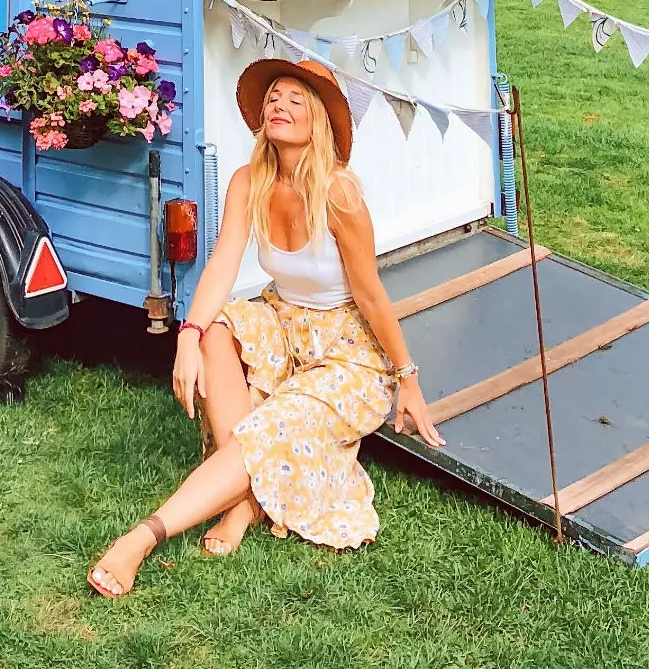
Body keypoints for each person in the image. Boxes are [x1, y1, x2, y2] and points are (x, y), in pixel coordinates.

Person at [89, 56, 444, 597]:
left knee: (275, 423)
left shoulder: (338, 193)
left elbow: (371, 294)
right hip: (285, 321)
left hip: (346, 351)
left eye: (296, 100)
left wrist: (408, 377)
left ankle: (145, 535)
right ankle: (247, 498)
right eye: (274, 97)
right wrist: (187, 337)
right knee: (214, 331)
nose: (280, 104)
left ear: (318, 120)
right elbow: (223, 264)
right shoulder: (248, 180)